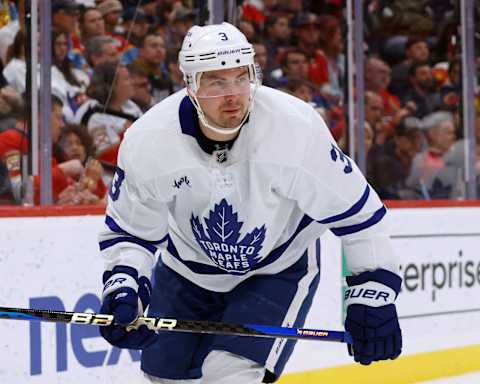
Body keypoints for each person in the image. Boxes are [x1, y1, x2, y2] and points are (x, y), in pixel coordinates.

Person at [98, 22, 402, 384]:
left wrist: (373, 294)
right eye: (216, 81)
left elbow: (360, 216)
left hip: (276, 270)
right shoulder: (150, 141)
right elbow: (131, 232)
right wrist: (124, 285)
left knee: (231, 374)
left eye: (241, 78)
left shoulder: (295, 128)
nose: (233, 95)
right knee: (166, 378)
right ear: (189, 85)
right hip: (186, 270)